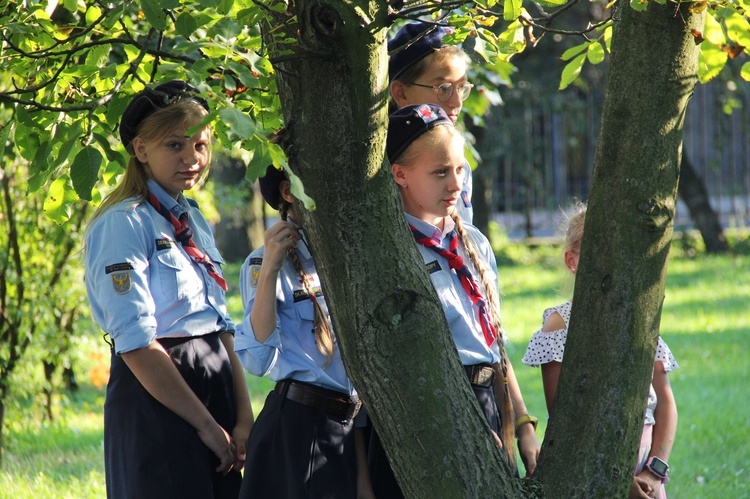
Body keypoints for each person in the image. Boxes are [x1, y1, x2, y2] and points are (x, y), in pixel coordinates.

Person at [85, 80, 253, 498]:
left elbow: (220, 322)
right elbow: (137, 342)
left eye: (200, 145)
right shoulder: (124, 223)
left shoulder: (191, 217)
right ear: (141, 150)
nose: (192, 159)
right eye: (175, 145)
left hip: (215, 383)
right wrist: (205, 425)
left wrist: (244, 415)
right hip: (159, 391)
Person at [367, 103, 540, 497]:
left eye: (460, 169)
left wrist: (524, 424)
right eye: (440, 172)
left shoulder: (473, 241)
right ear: (400, 174)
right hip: (428, 410)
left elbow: (495, 345)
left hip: (490, 403)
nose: (455, 184)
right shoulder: (392, 253)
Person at [521, 202, 678, 499]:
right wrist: (620, 480)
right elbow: (564, 416)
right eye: (600, 254)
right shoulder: (559, 326)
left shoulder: (640, 322)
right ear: (572, 261)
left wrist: (654, 471)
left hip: (647, 470)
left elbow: (666, 403)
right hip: (591, 469)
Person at [235, 165, 373, 498]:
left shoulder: (358, 256)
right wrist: (270, 270)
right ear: (288, 192)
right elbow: (258, 360)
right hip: (298, 429)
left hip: (352, 428)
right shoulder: (263, 263)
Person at [388, 21, 474, 223]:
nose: (456, 102)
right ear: (401, 93)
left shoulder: (459, 165)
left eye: (461, 88)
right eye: (443, 88)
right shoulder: (380, 163)